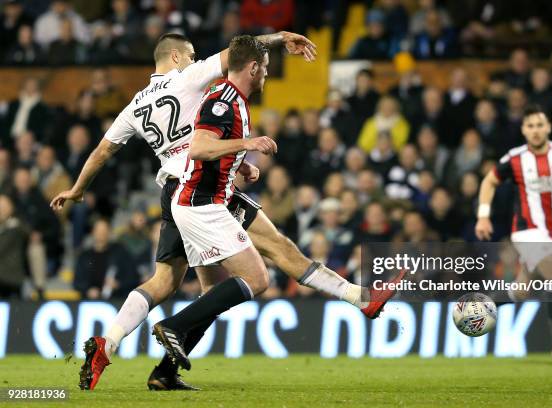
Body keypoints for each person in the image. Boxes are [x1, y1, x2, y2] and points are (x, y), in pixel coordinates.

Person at [51, 31, 400, 391]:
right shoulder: (189, 76)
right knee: (251, 271)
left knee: (171, 281)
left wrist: (78, 190)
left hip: (182, 186)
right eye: (190, 54)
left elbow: (102, 152)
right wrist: (281, 38)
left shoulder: (136, 104)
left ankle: (112, 345)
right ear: (174, 57)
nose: (195, 58)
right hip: (199, 187)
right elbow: (239, 53)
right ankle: (170, 341)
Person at [152, 35, 404, 374]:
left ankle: (361, 298)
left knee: (283, 251)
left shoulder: (233, 99)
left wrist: (240, 162)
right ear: (253, 68)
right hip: (201, 202)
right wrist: (249, 143)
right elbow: (198, 148)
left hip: (222, 196)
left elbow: (212, 146)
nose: (267, 74)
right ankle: (175, 326)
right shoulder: (223, 102)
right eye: (266, 68)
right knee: (255, 279)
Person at [475, 105, 552, 361]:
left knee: (521, 291)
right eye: (530, 126)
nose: (535, 131)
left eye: (540, 125)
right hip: (525, 230)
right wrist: (483, 215)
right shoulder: (515, 157)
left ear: (549, 127)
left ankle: (479, 307)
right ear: (523, 130)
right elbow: (489, 181)